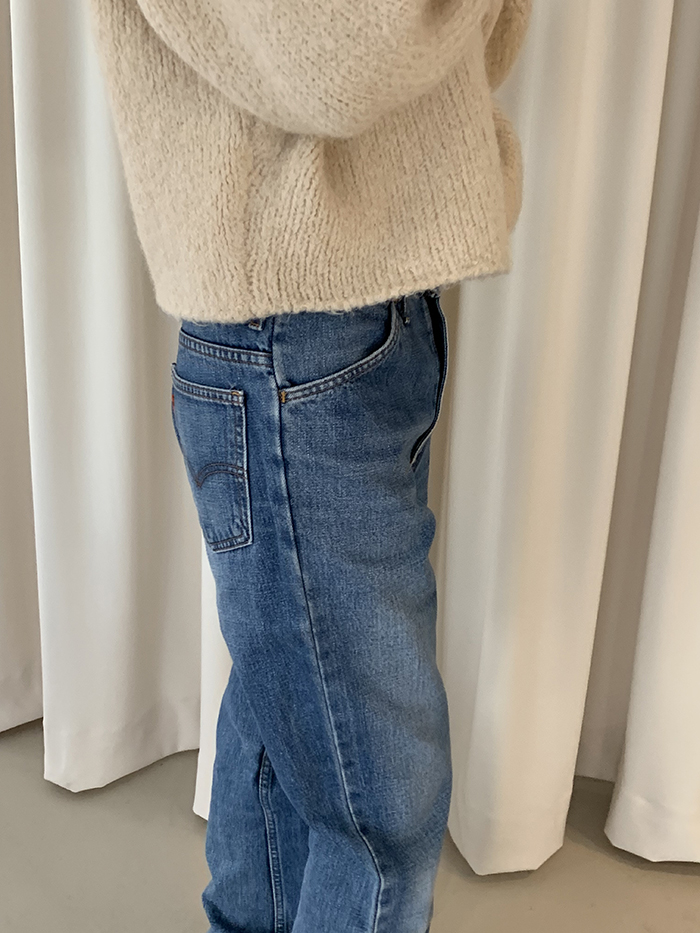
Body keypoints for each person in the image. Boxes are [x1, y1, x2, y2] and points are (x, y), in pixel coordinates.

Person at [86, 1, 531, 930]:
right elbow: (346, 59)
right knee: (380, 811)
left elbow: (469, 49)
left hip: (345, 320)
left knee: (292, 729)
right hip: (293, 336)